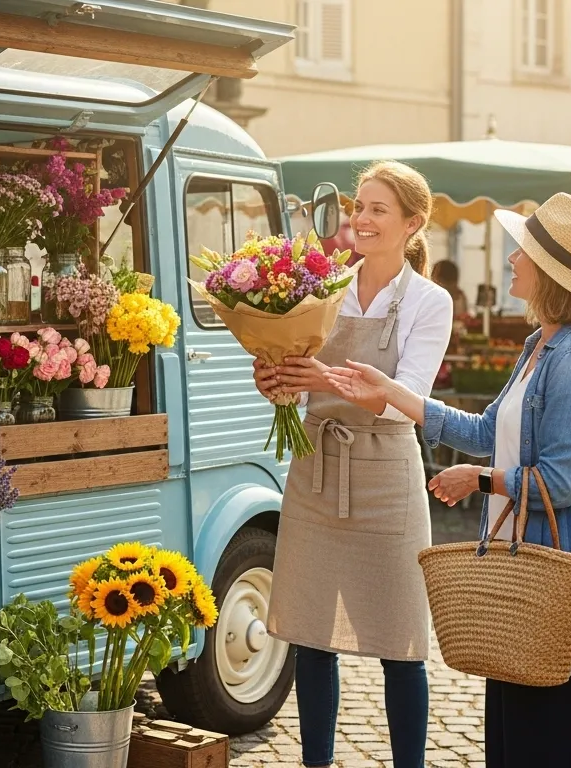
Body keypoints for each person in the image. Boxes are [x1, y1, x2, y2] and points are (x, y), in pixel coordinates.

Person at [322, 192, 571, 767]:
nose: (512, 261)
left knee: (555, 746)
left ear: (552, 274)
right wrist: (394, 394)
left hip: (560, 578)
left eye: (522, 253)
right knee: (515, 745)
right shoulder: (542, 344)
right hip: (520, 572)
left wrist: (479, 481)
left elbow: (559, 483)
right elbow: (486, 430)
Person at [252, 160, 452, 768]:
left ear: (411, 223)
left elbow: (406, 400)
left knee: (402, 642)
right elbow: (299, 387)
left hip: (388, 474)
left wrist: (319, 376)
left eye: (376, 209)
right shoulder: (323, 288)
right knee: (312, 636)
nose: (359, 220)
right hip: (316, 468)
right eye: (357, 206)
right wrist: (275, 380)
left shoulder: (428, 300)